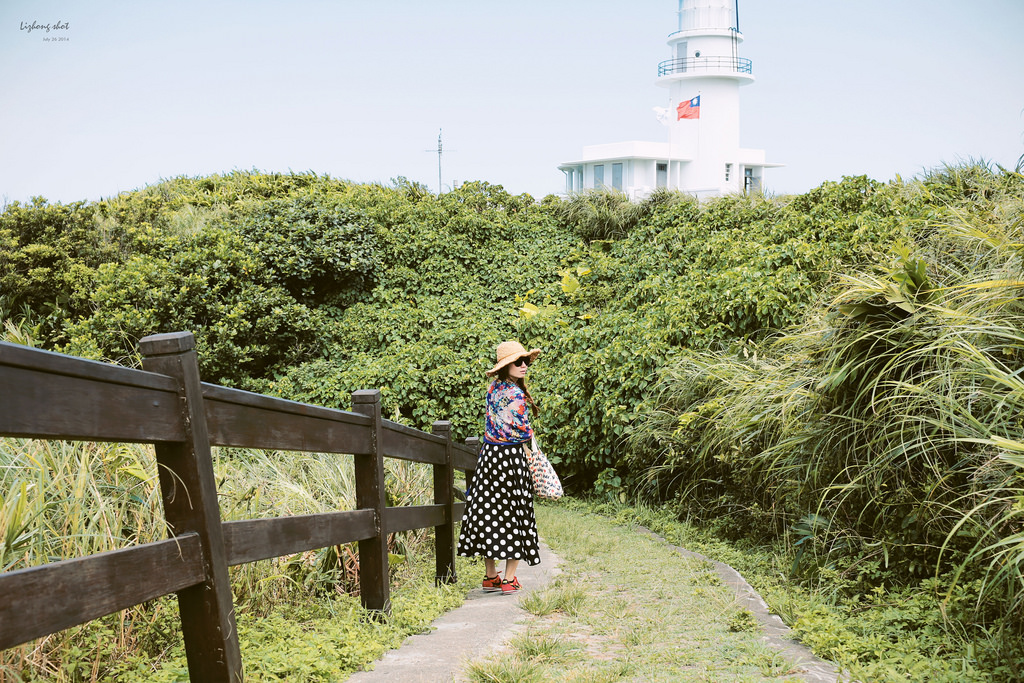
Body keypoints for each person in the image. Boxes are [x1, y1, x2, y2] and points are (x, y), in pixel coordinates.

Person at [457, 340, 542, 594]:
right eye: (519, 362)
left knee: (488, 511)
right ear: (507, 366)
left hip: (489, 458)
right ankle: (509, 579)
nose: (524, 365)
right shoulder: (516, 394)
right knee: (516, 511)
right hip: (512, 459)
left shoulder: (492, 390)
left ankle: (490, 576)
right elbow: (523, 429)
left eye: (525, 361)